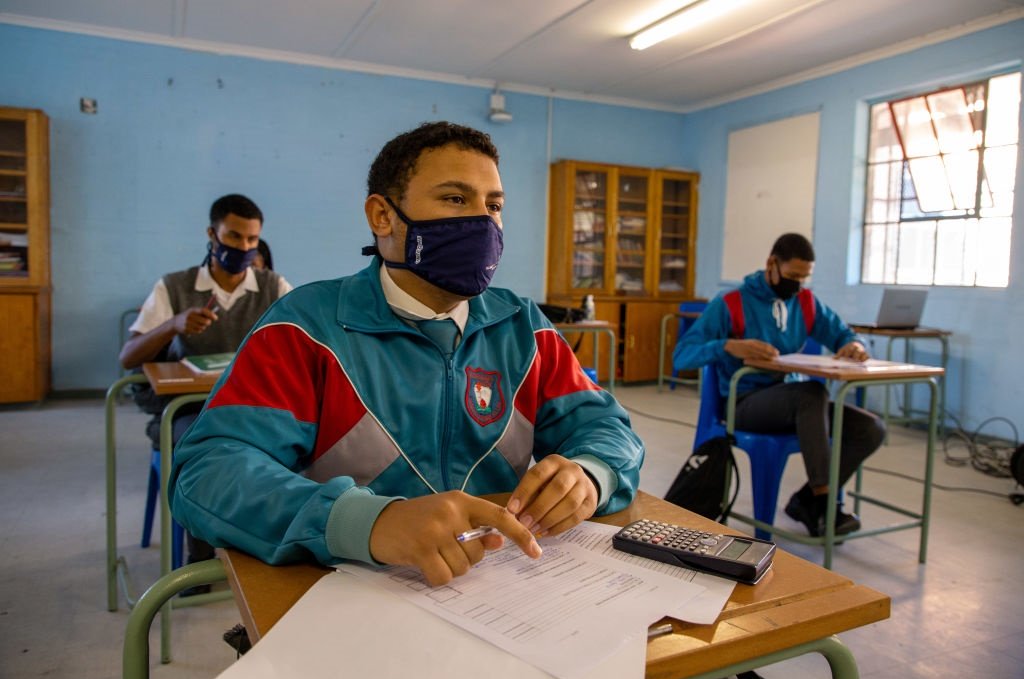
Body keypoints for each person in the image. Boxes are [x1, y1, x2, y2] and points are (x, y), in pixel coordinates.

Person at [170, 122, 644, 587]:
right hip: (350, 589)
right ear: (383, 216)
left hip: (501, 587)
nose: (482, 221)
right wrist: (369, 522)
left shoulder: (524, 328)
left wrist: (589, 473)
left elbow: (605, 428)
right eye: (456, 199)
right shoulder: (305, 328)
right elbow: (208, 472)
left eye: (494, 205)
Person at [673, 233, 885, 537]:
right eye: (792, 276)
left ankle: (806, 502)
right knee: (811, 393)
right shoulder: (731, 302)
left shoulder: (806, 303)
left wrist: (854, 344)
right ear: (771, 264)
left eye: (804, 278)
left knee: (869, 429)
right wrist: (729, 346)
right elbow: (682, 356)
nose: (797, 284)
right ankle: (824, 504)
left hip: (798, 404)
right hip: (746, 403)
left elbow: (842, 333)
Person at [120, 193, 292, 565]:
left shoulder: (273, 286)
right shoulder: (174, 287)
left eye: (251, 240)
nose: (243, 247)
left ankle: (265, 551)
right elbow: (128, 357)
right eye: (233, 237)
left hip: (252, 406)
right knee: (206, 450)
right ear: (212, 234)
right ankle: (202, 558)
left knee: (294, 443)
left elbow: (304, 344)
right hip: (192, 410)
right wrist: (173, 325)